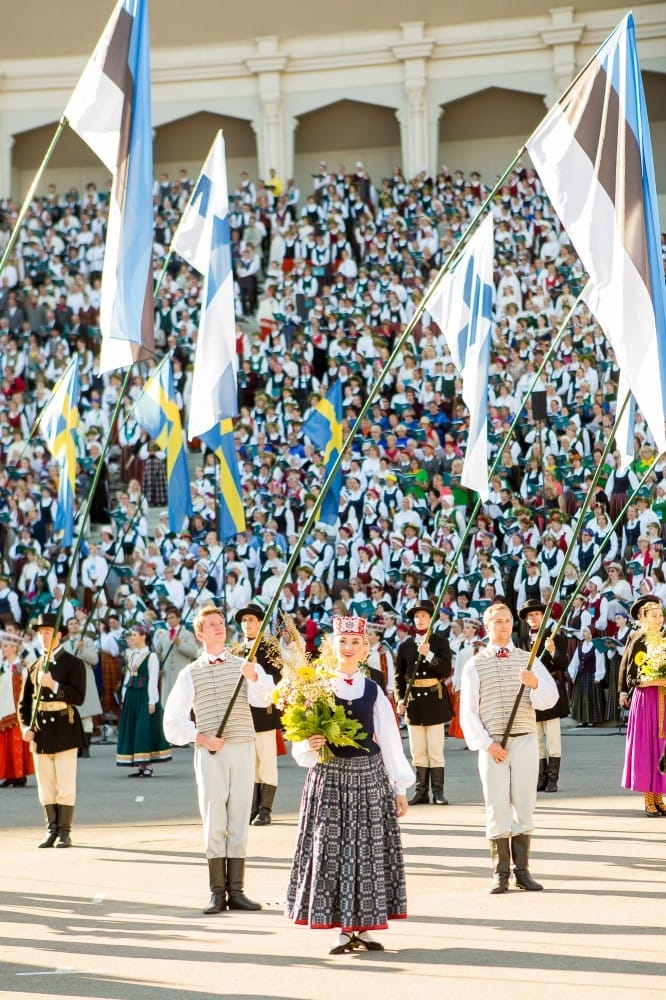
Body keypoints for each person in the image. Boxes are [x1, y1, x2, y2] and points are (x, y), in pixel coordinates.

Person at [286, 615, 414, 954]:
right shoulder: (317, 687)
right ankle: (343, 928)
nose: (348, 647)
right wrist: (308, 745)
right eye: (342, 641)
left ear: (364, 648)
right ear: (332, 645)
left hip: (368, 774)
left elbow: (389, 739)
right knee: (334, 851)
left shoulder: (373, 689)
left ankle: (365, 926)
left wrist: (399, 786)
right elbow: (299, 740)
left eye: (355, 642)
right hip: (329, 776)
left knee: (368, 852)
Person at [163, 604, 274, 914]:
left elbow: (267, 698)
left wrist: (255, 678)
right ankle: (217, 892)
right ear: (200, 634)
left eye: (221, 622)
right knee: (215, 819)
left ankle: (237, 890)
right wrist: (201, 737)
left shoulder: (244, 665)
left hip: (243, 747)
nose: (219, 627)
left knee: (239, 816)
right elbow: (171, 722)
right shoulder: (190, 673)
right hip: (211, 752)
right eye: (211, 624)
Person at [459, 602, 558, 893]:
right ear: (486, 627)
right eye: (496, 622)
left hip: (525, 739)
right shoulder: (474, 664)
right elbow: (468, 712)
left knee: (525, 804)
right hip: (494, 744)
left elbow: (549, 700)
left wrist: (535, 683)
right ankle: (500, 872)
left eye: (506, 621)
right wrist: (488, 744)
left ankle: (523, 871)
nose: (503, 626)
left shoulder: (528, 659)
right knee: (497, 804)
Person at [17, 612, 86, 848]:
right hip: (41, 732)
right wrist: (25, 726)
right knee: (45, 783)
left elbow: (79, 697)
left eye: (48, 633)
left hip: (64, 728)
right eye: (40, 633)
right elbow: (24, 704)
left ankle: (65, 831)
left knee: (65, 782)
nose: (44, 638)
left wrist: (54, 685)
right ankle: (51, 829)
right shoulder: (34, 666)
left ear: (58, 636)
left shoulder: (73, 663)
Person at [395, 599, 452, 805]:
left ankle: (437, 791)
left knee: (435, 750)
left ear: (431, 619)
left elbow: (445, 670)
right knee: (417, 751)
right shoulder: (406, 645)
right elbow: (399, 677)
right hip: (414, 703)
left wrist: (428, 654)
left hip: (434, 700)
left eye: (424, 616)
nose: (419, 620)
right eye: (417, 616)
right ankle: (421, 792)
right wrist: (400, 699)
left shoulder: (439, 642)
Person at [233, 602, 283, 827]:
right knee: (249, 763)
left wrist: (257, 671)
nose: (247, 624)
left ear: (260, 623)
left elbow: (277, 678)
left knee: (266, 762)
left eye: (251, 620)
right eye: (244, 621)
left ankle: (265, 809)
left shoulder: (269, 647)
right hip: (243, 714)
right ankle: (252, 807)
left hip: (264, 712)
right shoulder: (235, 650)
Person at [619, 595, 666, 817]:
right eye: (654, 615)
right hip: (647, 698)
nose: (658, 619)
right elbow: (631, 677)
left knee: (661, 746)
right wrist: (655, 681)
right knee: (647, 747)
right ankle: (648, 797)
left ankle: (659, 797)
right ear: (644, 618)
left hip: (663, 697)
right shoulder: (639, 639)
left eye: (661, 615)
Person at [517, 598, 569, 793]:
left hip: (550, 690)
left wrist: (553, 650)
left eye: (537, 614)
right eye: (530, 616)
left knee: (553, 738)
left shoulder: (554, 636)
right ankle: (541, 777)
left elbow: (563, 664)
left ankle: (553, 779)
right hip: (532, 691)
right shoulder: (522, 640)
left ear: (543, 616)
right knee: (536, 737)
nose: (533, 618)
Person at [115, 623, 172, 777]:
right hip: (132, 695)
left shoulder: (151, 656)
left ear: (143, 636)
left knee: (143, 729)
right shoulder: (132, 654)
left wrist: (152, 701)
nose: (132, 638)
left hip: (143, 695)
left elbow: (153, 680)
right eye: (131, 635)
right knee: (134, 728)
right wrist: (123, 695)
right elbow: (128, 676)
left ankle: (148, 765)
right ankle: (140, 764)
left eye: (134, 635)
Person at [61, 615, 103, 758]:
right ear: (67, 627)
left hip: (86, 682)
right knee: (73, 716)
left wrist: (83, 649)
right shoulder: (64, 646)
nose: (73, 625)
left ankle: (86, 747)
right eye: (71, 623)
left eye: (76, 623)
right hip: (71, 684)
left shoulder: (88, 641)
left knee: (86, 716)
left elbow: (94, 660)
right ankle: (76, 746)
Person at [0, 632, 35, 787]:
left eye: (7, 646)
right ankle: (9, 774)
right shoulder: (2, 665)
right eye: (3, 645)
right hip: (3, 707)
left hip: (16, 708)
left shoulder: (22, 665)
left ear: (14, 648)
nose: (4, 648)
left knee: (17, 743)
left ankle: (19, 775)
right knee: (5, 743)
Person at [153, 605, 200, 706]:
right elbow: (156, 653)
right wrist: (158, 667)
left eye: (172, 617)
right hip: (166, 677)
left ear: (179, 619)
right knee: (167, 705)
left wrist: (180, 643)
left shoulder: (187, 634)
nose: (169, 620)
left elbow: (193, 653)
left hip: (181, 675)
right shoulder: (163, 635)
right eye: (168, 618)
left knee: (182, 705)